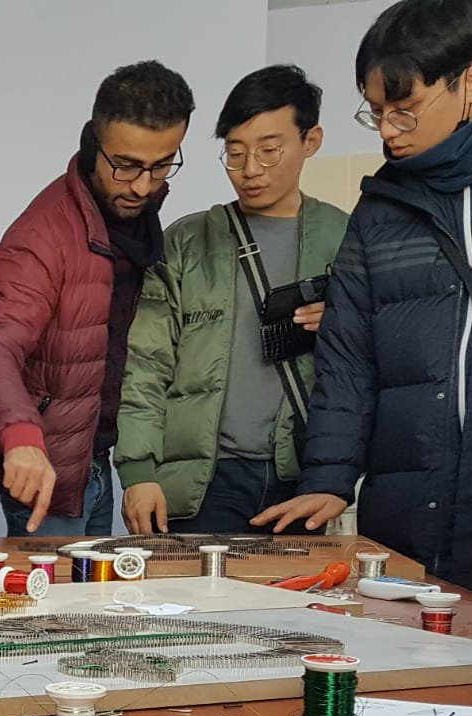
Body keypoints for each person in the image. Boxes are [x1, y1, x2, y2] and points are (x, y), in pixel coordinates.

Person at [253, 0, 472, 592]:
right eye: (376, 113)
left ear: (471, 81)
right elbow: (348, 356)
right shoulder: (381, 208)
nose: (389, 130)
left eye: (405, 111)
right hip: (410, 504)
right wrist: (329, 477)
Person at [0, 61, 195, 535]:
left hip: (95, 458)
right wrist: (21, 435)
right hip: (48, 467)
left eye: (161, 165)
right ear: (92, 144)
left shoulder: (135, 221)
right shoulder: (44, 234)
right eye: (125, 165)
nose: (143, 185)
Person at [116, 67, 348, 534]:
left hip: (301, 476)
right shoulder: (187, 240)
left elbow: (371, 367)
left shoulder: (344, 237)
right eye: (235, 153)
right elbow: (144, 362)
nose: (249, 170)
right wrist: (138, 471)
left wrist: (346, 326)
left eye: (268, 151)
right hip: (201, 483)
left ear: (311, 141)